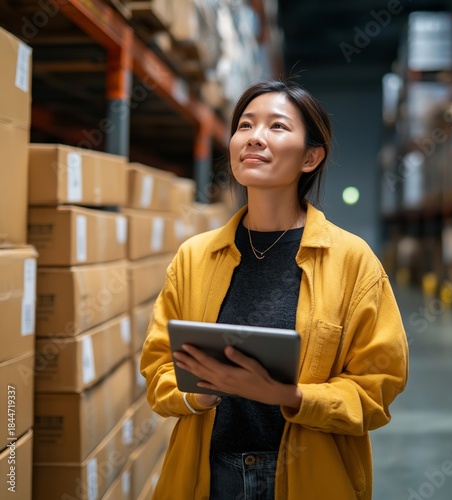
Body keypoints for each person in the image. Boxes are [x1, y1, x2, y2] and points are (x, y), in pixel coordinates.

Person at [140, 79, 409, 500]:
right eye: (245, 126)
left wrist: (289, 396)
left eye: (277, 127)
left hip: (307, 477)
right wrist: (204, 391)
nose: (255, 138)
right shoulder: (194, 258)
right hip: (211, 477)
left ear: (310, 157)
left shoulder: (352, 261)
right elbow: (157, 371)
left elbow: (377, 388)